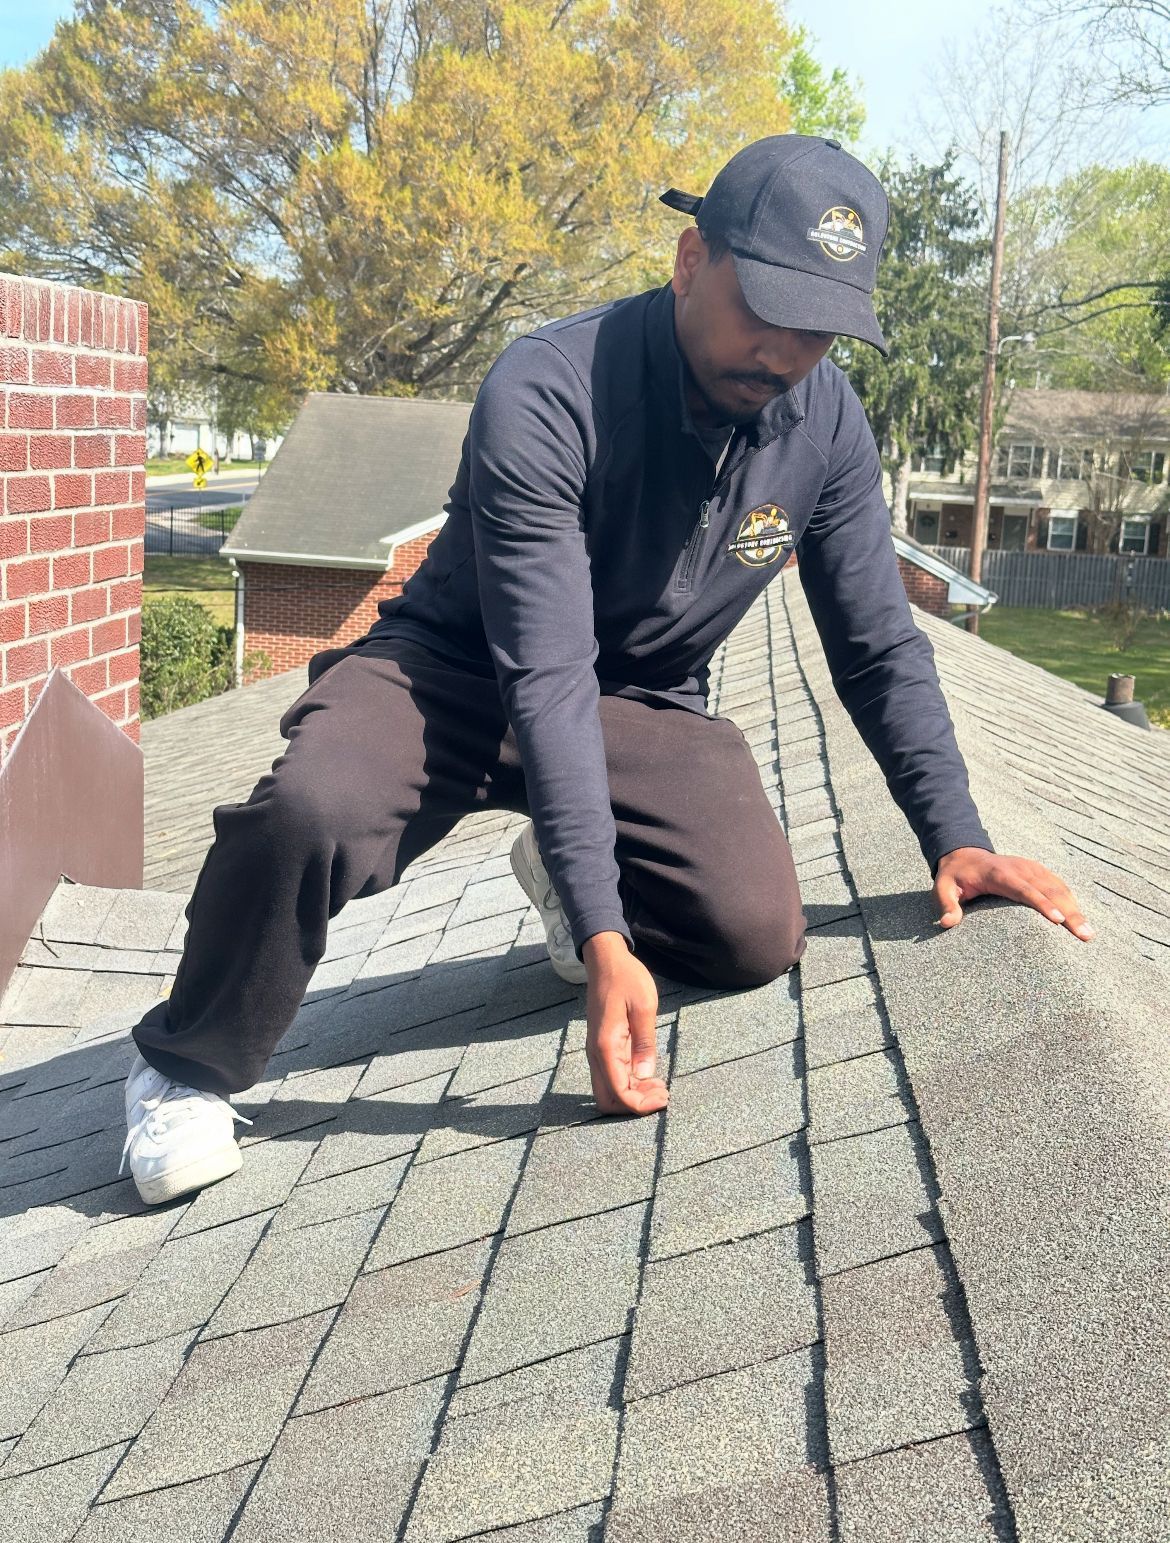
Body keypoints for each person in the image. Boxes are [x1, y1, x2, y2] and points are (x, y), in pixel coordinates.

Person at [121, 135, 1093, 1206]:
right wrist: (603, 928)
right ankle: (184, 1061)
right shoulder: (549, 385)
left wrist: (955, 834)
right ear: (690, 260)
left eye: (816, 329)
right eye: (763, 308)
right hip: (453, 673)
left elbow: (876, 646)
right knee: (312, 806)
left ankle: (559, 854)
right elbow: (543, 670)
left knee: (756, 935)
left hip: (638, 706)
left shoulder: (826, 428)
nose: (782, 352)